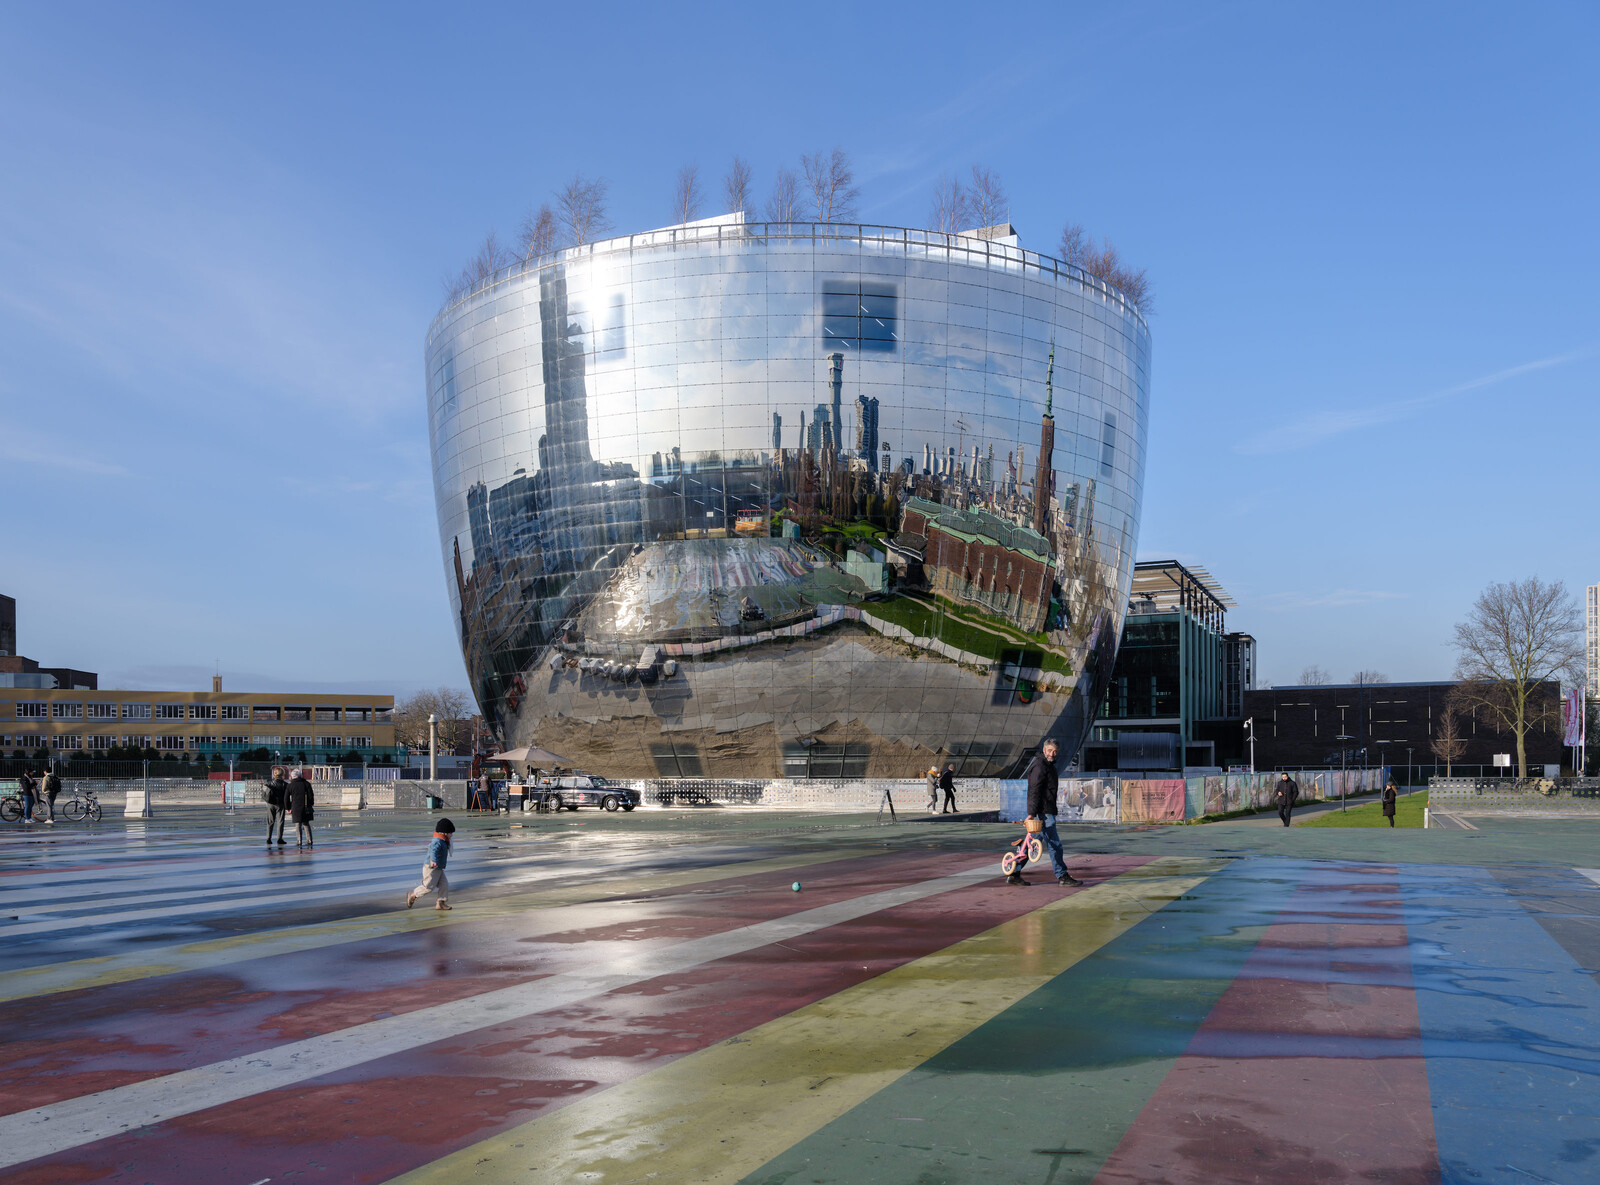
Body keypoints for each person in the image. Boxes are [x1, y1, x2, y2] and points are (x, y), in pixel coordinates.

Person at [1015, 739, 1084, 887]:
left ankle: (1014, 872)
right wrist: (1031, 813)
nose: (1053, 754)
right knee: (1055, 844)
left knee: (1032, 843)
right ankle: (1062, 876)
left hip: (1046, 810)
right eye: (1050, 751)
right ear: (1044, 750)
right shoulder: (1040, 766)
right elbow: (1034, 790)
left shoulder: (1049, 766)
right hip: (1043, 812)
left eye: (1055, 751)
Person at [406, 817, 455, 910]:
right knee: (428, 887)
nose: (451, 835)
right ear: (444, 833)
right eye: (450, 833)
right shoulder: (437, 841)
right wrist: (433, 860)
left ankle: (440, 903)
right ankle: (412, 895)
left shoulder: (444, 841)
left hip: (439, 868)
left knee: (444, 885)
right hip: (431, 868)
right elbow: (433, 850)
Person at [285, 767, 315, 847]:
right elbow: (311, 795)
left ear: (292, 776)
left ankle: (299, 841)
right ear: (300, 776)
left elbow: (286, 798)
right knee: (306, 824)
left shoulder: (290, 785)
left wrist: (288, 808)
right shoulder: (307, 784)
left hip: (295, 807)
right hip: (306, 807)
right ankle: (309, 840)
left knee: (297, 824)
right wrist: (311, 804)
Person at [264, 766, 290, 845]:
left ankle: (268, 838)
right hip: (280, 804)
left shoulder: (269, 783)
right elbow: (287, 796)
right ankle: (279, 838)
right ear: (282, 774)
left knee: (270, 821)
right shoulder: (285, 784)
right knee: (280, 821)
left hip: (270, 804)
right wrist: (288, 806)